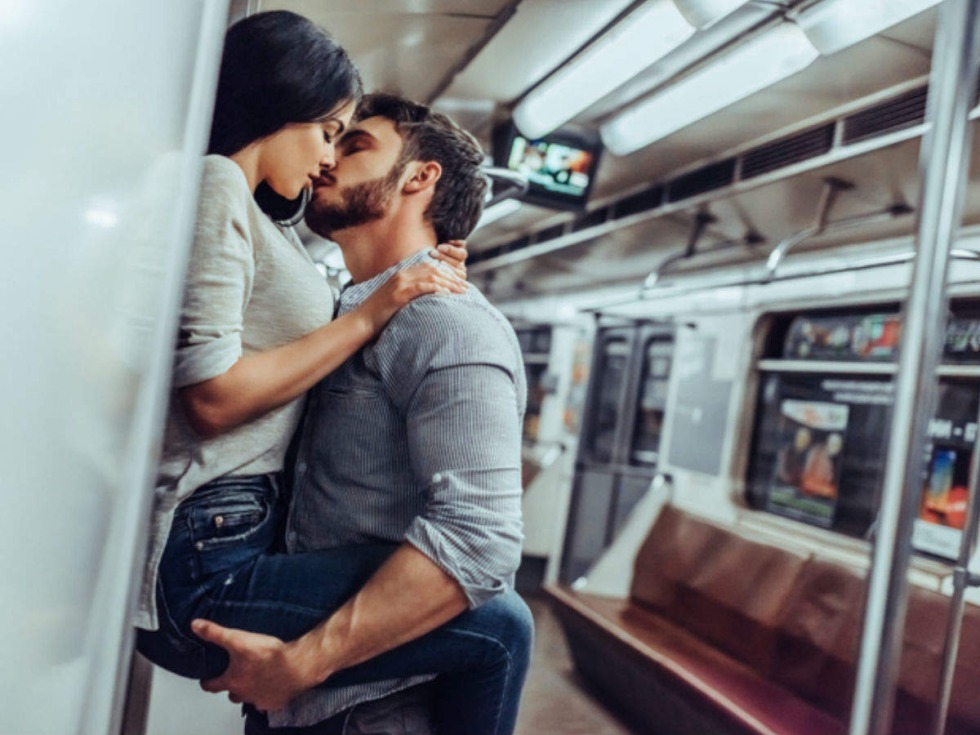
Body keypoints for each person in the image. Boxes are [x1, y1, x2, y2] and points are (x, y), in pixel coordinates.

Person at [135, 7, 474, 700]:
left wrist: (413, 279)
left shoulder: (267, 220)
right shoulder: (217, 182)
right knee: (497, 625)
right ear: (279, 103)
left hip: (241, 520)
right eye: (326, 133)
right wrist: (380, 308)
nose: (327, 158)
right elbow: (212, 397)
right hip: (211, 530)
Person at [188, 94, 533, 735]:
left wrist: (301, 663)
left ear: (419, 177)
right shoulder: (345, 316)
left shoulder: (449, 326)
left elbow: (478, 538)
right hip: (297, 701)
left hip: (374, 708)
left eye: (356, 146)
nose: (328, 160)